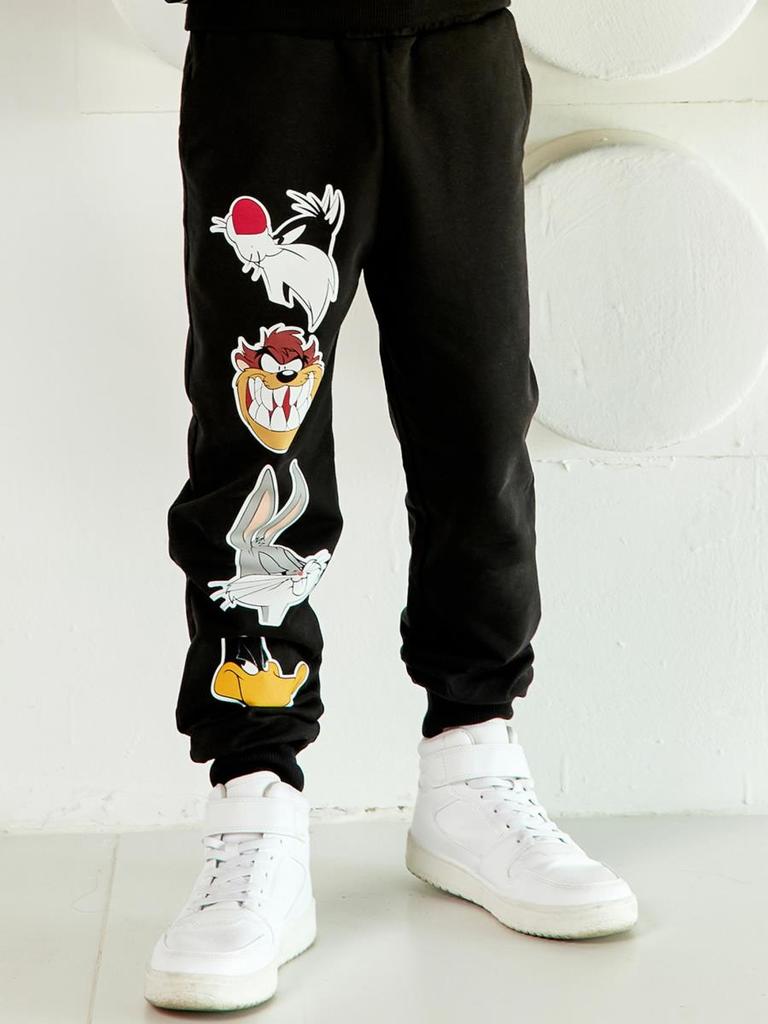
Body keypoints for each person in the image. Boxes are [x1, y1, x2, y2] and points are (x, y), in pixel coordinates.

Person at [145, 0, 638, 1012]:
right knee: (259, 440)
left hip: (458, 40)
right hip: (270, 48)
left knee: (480, 420)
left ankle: (471, 762)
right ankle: (256, 800)